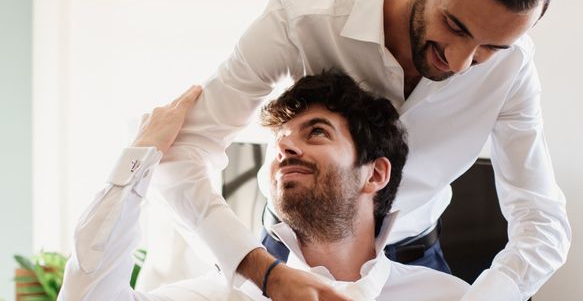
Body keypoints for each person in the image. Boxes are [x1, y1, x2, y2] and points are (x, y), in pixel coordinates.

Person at [157, 0, 571, 301]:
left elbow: (542, 222)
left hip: (417, 256)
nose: (462, 63)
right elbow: (186, 149)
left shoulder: (513, 69)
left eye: (489, 48)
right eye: (455, 26)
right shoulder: (300, 21)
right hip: (283, 260)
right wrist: (256, 267)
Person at [59, 74, 470, 301]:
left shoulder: (449, 298)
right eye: (281, 140)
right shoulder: (220, 297)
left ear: (375, 174)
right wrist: (141, 153)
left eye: (317, 133)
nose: (286, 146)